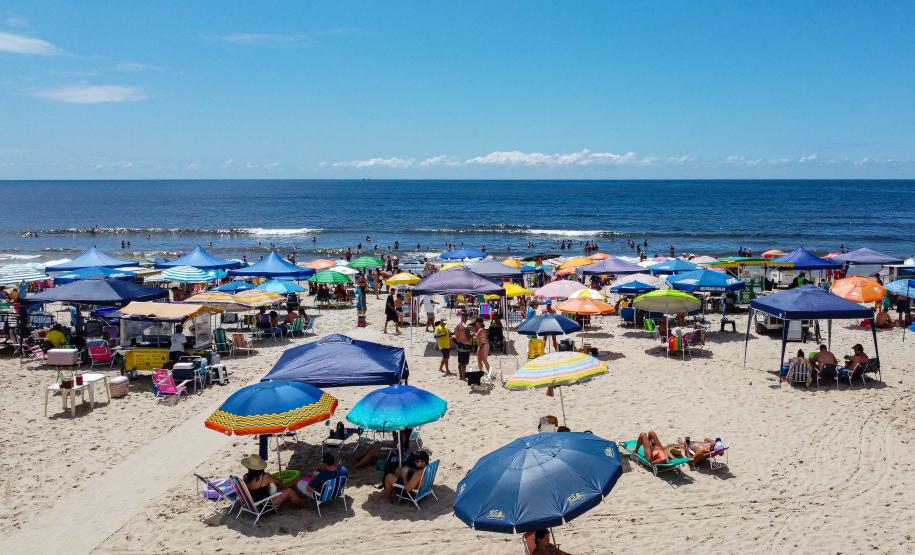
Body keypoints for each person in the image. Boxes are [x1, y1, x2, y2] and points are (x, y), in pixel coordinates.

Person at [240, 454, 305, 508]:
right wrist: (285, 489)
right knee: (289, 491)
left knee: (286, 489)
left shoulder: (246, 477)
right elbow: (279, 483)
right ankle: (302, 506)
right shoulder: (265, 477)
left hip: (253, 504)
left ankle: (299, 496)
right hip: (265, 505)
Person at [453, 311, 472, 381]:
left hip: (459, 345)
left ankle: (460, 376)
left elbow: (456, 336)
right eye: (466, 318)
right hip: (465, 346)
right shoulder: (465, 327)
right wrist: (472, 335)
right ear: (466, 318)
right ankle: (463, 377)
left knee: (460, 362)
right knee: (464, 363)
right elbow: (468, 338)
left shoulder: (457, 326)